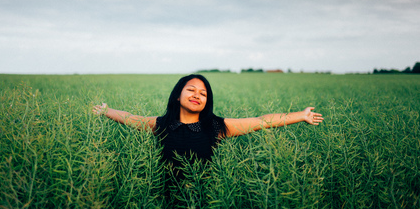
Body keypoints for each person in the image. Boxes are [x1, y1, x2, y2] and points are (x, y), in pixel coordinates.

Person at [92, 74, 324, 173]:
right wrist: (106, 110)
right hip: (167, 196)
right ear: (177, 96)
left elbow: (262, 121)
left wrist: (300, 115)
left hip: (205, 194)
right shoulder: (160, 124)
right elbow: (131, 118)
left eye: (203, 93)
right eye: (191, 90)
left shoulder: (216, 126)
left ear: (207, 101)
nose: (197, 95)